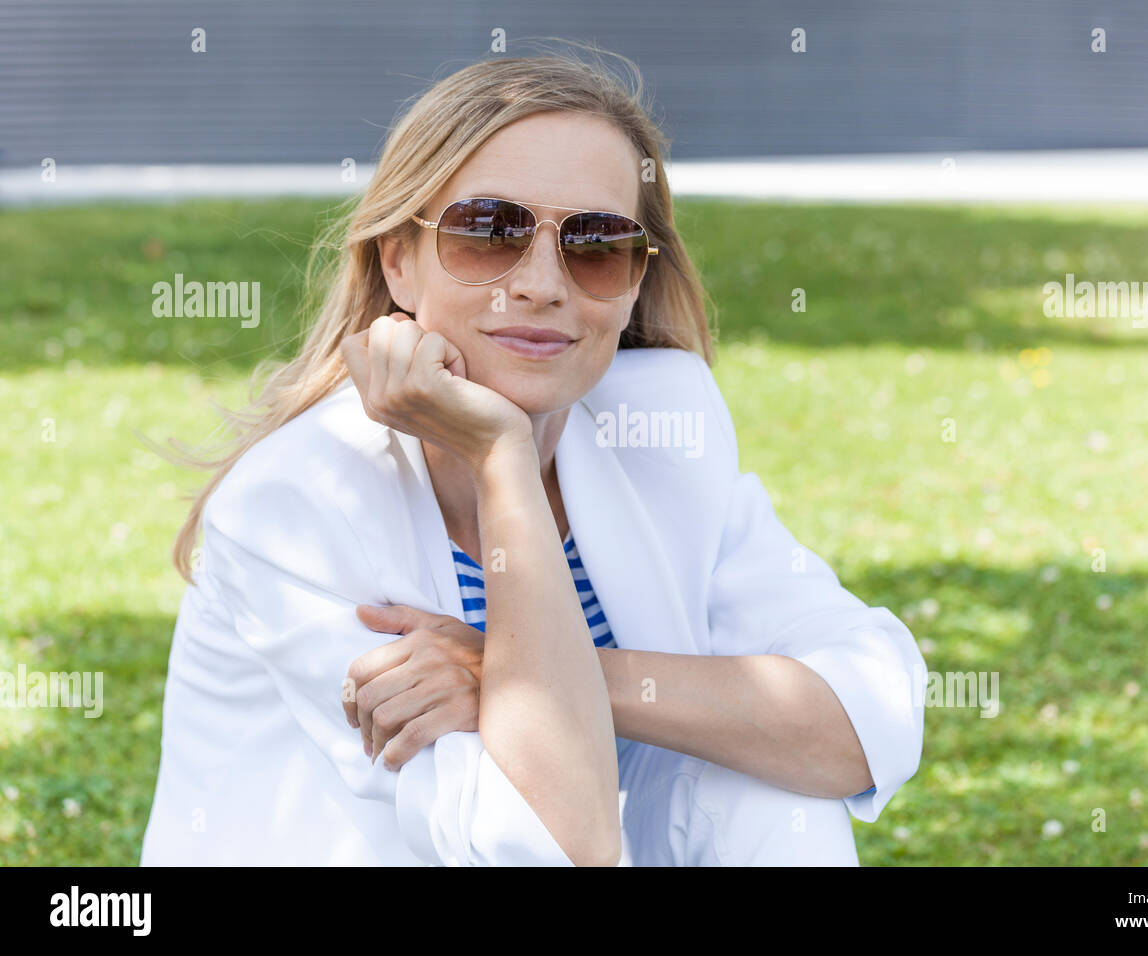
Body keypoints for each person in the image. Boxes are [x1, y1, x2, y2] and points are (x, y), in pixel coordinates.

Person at [140, 45, 925, 867]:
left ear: (630, 282)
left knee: (763, 792)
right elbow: (550, 842)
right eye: (488, 231)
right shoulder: (299, 499)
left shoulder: (660, 424)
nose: (544, 282)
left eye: (596, 244)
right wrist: (501, 455)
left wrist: (511, 672)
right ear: (398, 260)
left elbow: (866, 717)